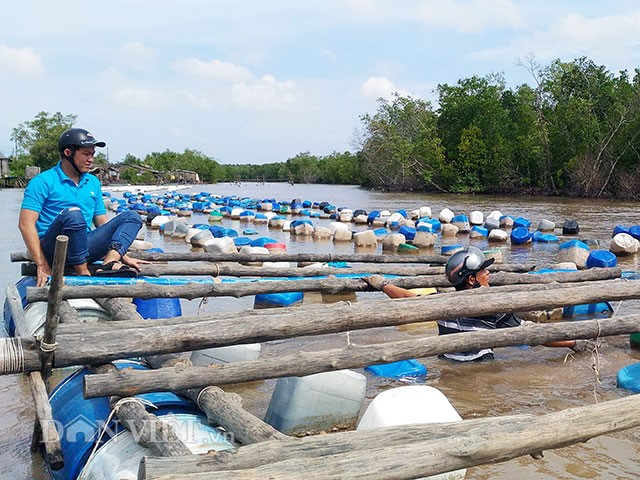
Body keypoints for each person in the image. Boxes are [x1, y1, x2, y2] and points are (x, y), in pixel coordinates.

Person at [363, 246, 593, 361]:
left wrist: (382, 284)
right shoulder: (494, 308)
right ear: (472, 279)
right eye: (484, 270)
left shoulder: (440, 302)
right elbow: (533, 336)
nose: (488, 272)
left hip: (447, 362)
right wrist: (573, 343)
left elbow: (405, 298)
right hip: (480, 364)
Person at [18, 128, 149, 287]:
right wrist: (42, 265)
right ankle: (83, 273)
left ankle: (109, 262)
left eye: (92, 154)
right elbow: (25, 224)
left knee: (132, 216)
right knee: (73, 214)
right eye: (86, 154)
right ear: (68, 153)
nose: (91, 159)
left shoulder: (92, 182)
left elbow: (102, 222)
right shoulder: (43, 182)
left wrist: (122, 254)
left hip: (85, 246)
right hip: (55, 249)